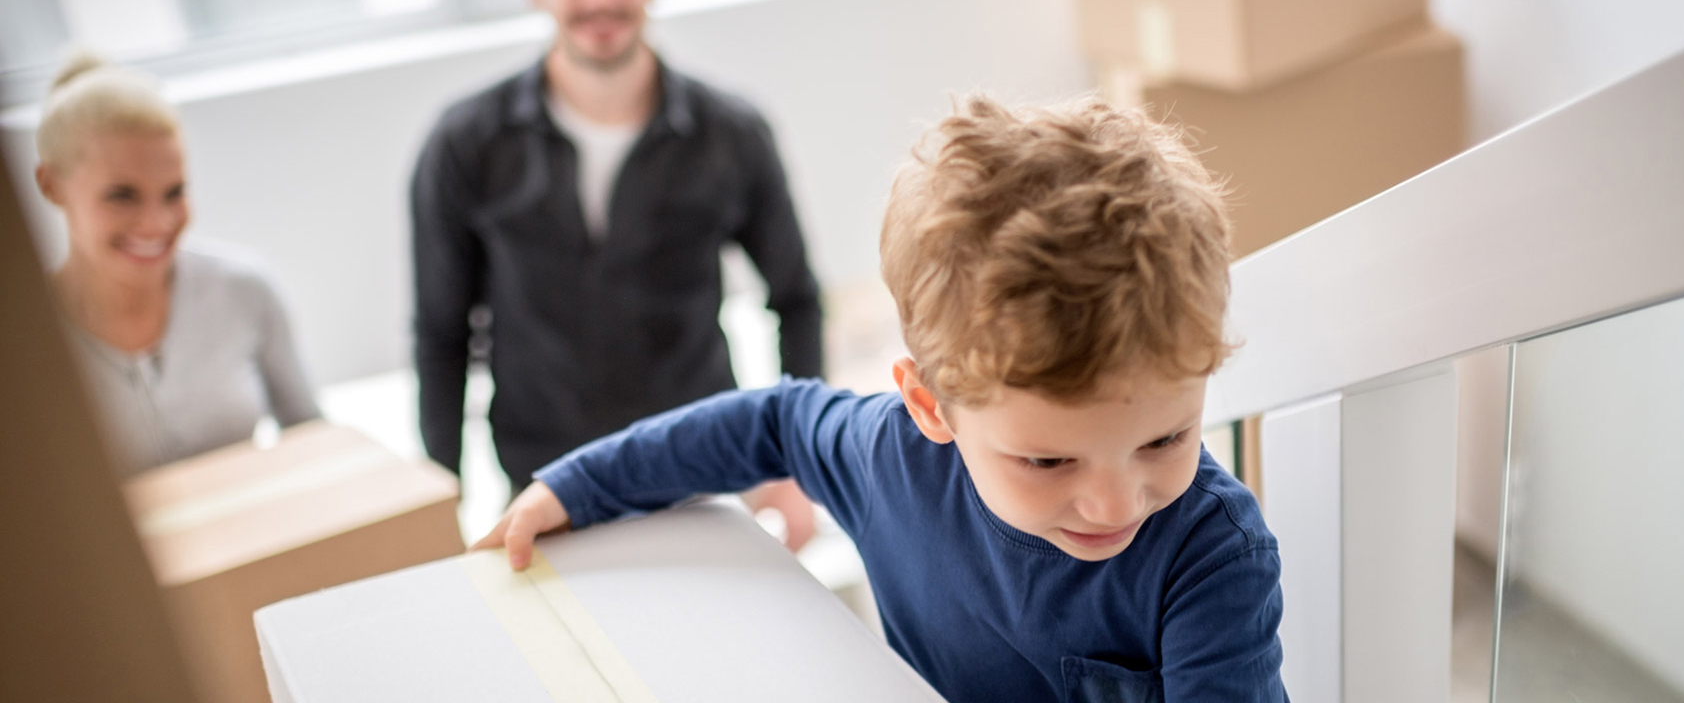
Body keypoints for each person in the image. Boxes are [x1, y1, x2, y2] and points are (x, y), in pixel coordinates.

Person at [476, 96, 1288, 701]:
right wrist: (577, 485)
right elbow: (770, 421)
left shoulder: (1210, 556)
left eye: (1166, 439)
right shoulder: (888, 456)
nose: (1117, 498)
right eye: (1047, 458)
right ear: (931, 407)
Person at [411, 0, 822, 547]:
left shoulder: (732, 134)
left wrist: (797, 464)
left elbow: (797, 300)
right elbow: (441, 332)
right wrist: (439, 503)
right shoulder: (466, 143)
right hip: (540, 483)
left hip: (701, 472)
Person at [34, 54, 320, 475]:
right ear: (51, 185)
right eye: (122, 195)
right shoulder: (21, 341)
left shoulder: (244, 289)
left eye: (174, 193)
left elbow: (314, 440)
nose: (157, 224)